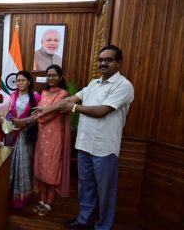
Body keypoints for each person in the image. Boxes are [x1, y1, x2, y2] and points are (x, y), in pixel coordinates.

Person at [59, 45, 134, 230]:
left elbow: (102, 111)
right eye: (100, 60)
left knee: (106, 191)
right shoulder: (94, 83)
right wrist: (46, 109)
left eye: (108, 60)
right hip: (84, 144)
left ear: (118, 63)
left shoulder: (124, 85)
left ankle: (103, 226)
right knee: (86, 186)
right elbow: (71, 99)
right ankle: (85, 220)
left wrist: (74, 108)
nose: (103, 63)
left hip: (105, 148)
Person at [31, 64, 71, 217]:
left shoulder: (63, 94)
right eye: (48, 75)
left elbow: (49, 114)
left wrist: (32, 119)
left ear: (60, 77)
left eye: (54, 75)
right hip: (42, 136)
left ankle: (49, 201)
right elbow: (39, 112)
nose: (51, 78)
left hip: (55, 137)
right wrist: (33, 118)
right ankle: (41, 199)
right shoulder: (44, 92)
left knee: (52, 169)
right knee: (41, 168)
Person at [8, 70, 41, 209]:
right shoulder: (12, 95)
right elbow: (7, 112)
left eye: (22, 80)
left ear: (29, 81)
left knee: (24, 165)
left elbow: (39, 116)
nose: (19, 83)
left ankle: (22, 197)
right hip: (13, 134)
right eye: (17, 80)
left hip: (27, 135)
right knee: (11, 165)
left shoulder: (36, 96)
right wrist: (11, 119)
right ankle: (10, 195)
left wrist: (25, 123)